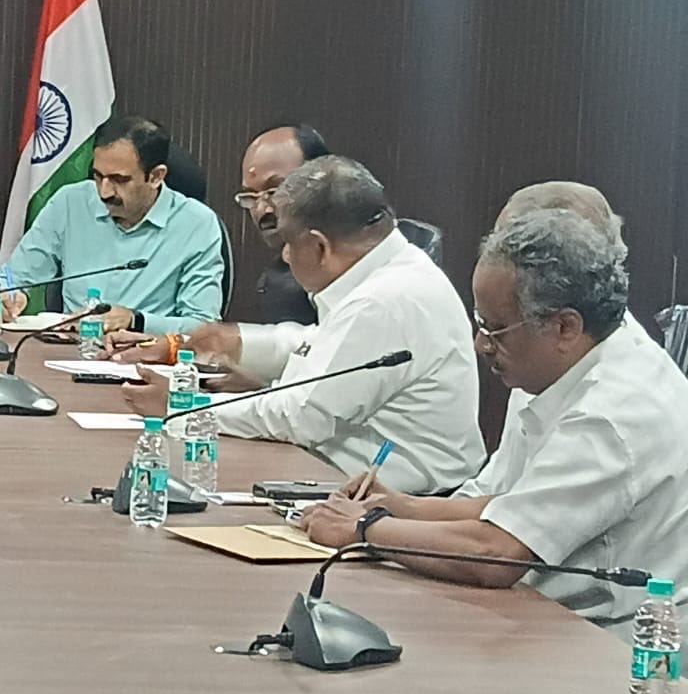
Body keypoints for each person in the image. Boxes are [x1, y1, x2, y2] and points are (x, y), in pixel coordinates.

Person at [302, 209, 688, 632]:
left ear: (565, 326)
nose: (480, 344)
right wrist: (405, 507)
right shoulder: (593, 353)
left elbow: (496, 554)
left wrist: (364, 529)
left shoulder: (611, 413)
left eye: (495, 328)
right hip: (551, 615)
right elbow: (517, 505)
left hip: (612, 645)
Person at [125, 156, 484, 493]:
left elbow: (299, 418)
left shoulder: (382, 301)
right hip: (343, 473)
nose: (284, 255)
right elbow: (323, 342)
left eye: (287, 243)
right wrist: (232, 342)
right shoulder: (398, 270)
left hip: (396, 499)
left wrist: (184, 408)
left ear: (319, 247)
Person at [1, 116, 225, 335]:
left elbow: (204, 327)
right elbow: (14, 276)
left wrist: (135, 321)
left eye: (119, 180)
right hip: (72, 348)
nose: (104, 192)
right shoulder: (70, 203)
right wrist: (7, 295)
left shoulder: (197, 224)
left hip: (148, 354)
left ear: (156, 176)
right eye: (98, 176)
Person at [233, 125, 329, 324]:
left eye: (275, 190)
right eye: (251, 197)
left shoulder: (362, 268)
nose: (262, 209)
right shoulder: (277, 280)